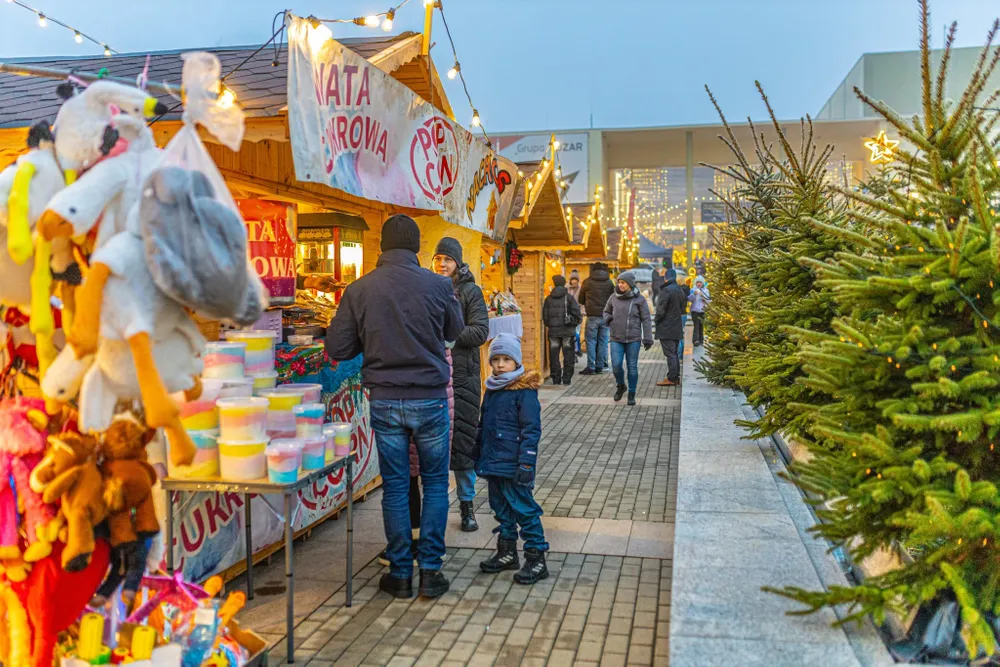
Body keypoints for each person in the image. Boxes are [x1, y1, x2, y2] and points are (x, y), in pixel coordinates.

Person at [326, 214, 462, 599]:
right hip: (430, 399)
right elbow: (454, 331)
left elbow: (338, 348)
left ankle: (400, 572)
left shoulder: (360, 289)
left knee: (397, 485)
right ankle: (431, 572)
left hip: (385, 400)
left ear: (383, 246)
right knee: (435, 483)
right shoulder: (438, 285)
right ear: (417, 246)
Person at [476, 334, 548, 584]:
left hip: (515, 465)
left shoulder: (524, 392)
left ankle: (536, 556)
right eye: (495, 359)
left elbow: (531, 430)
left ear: (517, 362)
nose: (500, 364)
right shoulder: (492, 390)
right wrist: (478, 453)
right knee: (501, 508)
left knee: (524, 509)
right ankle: (507, 551)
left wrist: (526, 463)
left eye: (506, 359)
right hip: (494, 462)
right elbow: (483, 425)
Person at [432, 237, 489, 533]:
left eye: (448, 260)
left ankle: (467, 506)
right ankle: (437, 508)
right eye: (438, 259)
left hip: (463, 378)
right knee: (435, 447)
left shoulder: (470, 291)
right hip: (434, 377)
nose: (442, 264)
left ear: (458, 263)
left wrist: (451, 339)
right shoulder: (425, 288)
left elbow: (481, 330)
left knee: (464, 445)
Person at [603, 271, 653, 406]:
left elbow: (646, 319)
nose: (620, 285)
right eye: (619, 282)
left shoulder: (639, 299)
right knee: (616, 365)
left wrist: (648, 338)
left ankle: (632, 392)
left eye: (623, 282)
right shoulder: (613, 297)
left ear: (630, 284)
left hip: (633, 339)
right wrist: (609, 319)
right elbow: (606, 311)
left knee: (632, 367)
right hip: (616, 338)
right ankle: (621, 385)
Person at [541, 275, 582, 385]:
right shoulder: (569, 298)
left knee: (554, 357)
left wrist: (552, 325)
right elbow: (578, 316)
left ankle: (556, 379)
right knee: (568, 356)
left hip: (553, 332)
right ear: (564, 284)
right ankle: (567, 378)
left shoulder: (548, 299)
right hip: (567, 332)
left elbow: (545, 318)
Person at [578, 262, 615, 375]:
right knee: (603, 341)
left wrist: (588, 303)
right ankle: (600, 366)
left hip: (592, 316)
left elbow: (580, 299)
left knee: (591, 341)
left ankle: (591, 367)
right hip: (605, 316)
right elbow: (614, 298)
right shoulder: (609, 282)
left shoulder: (587, 282)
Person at [654, 269, 685, 387]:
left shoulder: (666, 290)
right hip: (676, 326)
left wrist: (656, 320)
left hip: (666, 327)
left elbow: (661, 310)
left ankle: (672, 378)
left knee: (670, 354)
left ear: (665, 278)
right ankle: (675, 377)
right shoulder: (679, 289)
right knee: (674, 353)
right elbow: (683, 307)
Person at [689, 275, 710, 347]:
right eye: (697, 282)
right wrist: (694, 294)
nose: (699, 284)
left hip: (702, 311)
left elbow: (709, 300)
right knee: (696, 325)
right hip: (694, 311)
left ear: (703, 283)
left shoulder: (706, 290)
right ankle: (695, 340)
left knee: (701, 326)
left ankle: (701, 340)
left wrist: (703, 296)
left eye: (700, 282)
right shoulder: (693, 289)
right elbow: (689, 299)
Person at [567, 270, 582, 356]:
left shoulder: (581, 289)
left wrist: (582, 312)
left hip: (577, 314)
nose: (574, 281)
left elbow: (583, 302)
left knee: (576, 333)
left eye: (576, 279)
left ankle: (576, 350)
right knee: (571, 334)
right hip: (568, 314)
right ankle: (575, 351)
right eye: (573, 279)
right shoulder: (566, 288)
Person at [678, 277, 691, 359]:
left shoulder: (679, 291)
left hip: (678, 314)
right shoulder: (686, 290)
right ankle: (681, 352)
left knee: (678, 335)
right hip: (684, 314)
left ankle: (679, 353)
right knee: (681, 334)